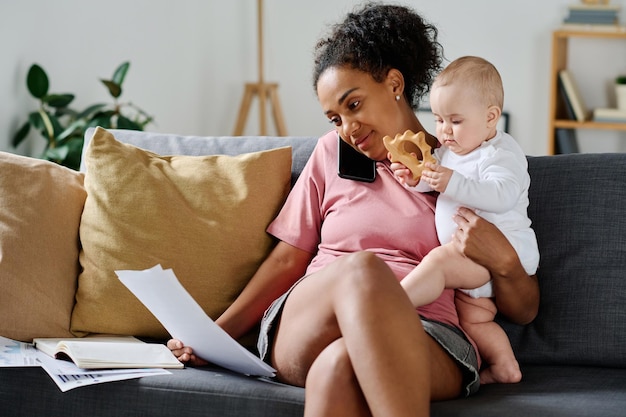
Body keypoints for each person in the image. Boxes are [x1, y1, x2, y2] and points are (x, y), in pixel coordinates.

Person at [168, 3, 539, 416]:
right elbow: (286, 261)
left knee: (338, 368)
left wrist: (503, 258)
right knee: (363, 270)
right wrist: (213, 337)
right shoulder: (332, 155)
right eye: (335, 118)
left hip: (429, 333)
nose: (348, 129)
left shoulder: (460, 171)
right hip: (312, 320)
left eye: (354, 105)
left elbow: (524, 310)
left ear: (394, 84)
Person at [390, 56, 540, 385]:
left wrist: (451, 183)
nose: (444, 131)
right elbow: (435, 178)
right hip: (473, 267)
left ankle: (391, 304)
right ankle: (505, 366)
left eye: (455, 121)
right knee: (474, 322)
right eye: (439, 119)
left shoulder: (500, 154)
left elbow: (503, 195)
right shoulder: (452, 151)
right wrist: (415, 179)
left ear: (490, 118)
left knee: (439, 263)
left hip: (503, 254)